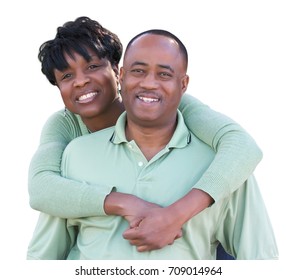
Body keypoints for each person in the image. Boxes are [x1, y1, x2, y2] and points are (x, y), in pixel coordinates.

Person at [27, 17, 263, 260]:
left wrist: (174, 216)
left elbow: (243, 146)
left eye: (92, 66)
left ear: (118, 72)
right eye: (66, 76)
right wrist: (124, 202)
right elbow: (41, 188)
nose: (81, 81)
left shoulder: (171, 104)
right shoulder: (65, 130)